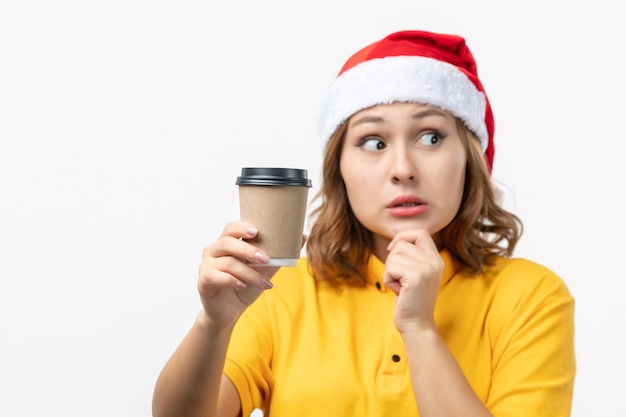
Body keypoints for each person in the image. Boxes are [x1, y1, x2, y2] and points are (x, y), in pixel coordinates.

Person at [152, 30, 576, 417]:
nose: (402, 169)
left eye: (431, 136)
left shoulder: (532, 297)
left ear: (471, 158)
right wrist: (214, 324)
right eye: (373, 142)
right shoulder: (281, 291)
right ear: (340, 170)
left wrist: (419, 329)